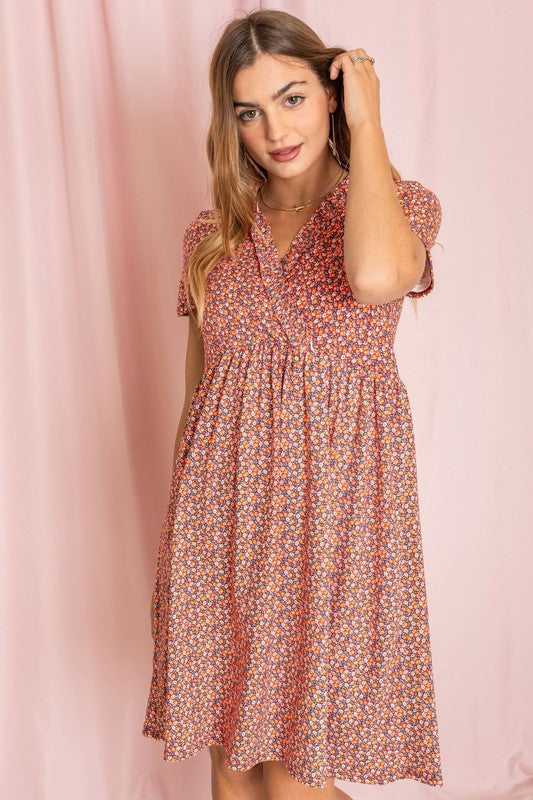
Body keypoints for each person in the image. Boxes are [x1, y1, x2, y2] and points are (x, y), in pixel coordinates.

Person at [142, 9, 443, 800]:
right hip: (220, 533)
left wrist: (367, 119)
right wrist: (181, 561)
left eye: (292, 97)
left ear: (332, 94)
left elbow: (377, 279)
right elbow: (197, 404)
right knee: (230, 769)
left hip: (331, 530)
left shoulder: (398, 207)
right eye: (249, 111)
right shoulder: (212, 236)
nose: (274, 128)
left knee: (290, 780)